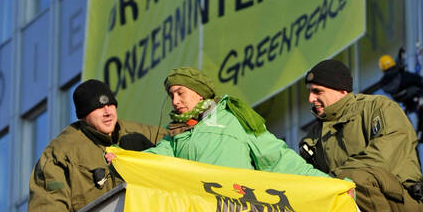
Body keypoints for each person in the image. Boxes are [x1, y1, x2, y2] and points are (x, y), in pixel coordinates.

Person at [108, 66, 331, 180]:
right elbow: (153, 161)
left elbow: (277, 158)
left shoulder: (233, 116)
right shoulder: (176, 134)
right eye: (171, 95)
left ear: (197, 92)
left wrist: (328, 185)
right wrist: (122, 158)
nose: (175, 101)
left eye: (179, 92)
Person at [298, 58, 423, 212]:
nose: (310, 98)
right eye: (309, 92)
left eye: (317, 91)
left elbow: (384, 155)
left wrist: (334, 180)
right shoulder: (312, 139)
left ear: (341, 91)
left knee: (355, 178)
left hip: (400, 203)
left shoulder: (379, 108)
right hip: (349, 209)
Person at [27, 79, 161, 212]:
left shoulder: (141, 133)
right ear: (83, 116)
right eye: (98, 107)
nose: (107, 112)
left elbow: (182, 142)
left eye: (110, 105)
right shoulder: (60, 154)